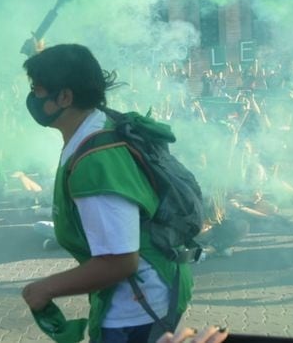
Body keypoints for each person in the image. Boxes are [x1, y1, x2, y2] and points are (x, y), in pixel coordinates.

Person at [20, 44, 192, 343]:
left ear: (64, 96)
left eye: (37, 89)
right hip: (147, 297)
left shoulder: (95, 162)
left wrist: (43, 289)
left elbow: (120, 261)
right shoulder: (98, 124)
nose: (32, 98)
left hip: (136, 312)